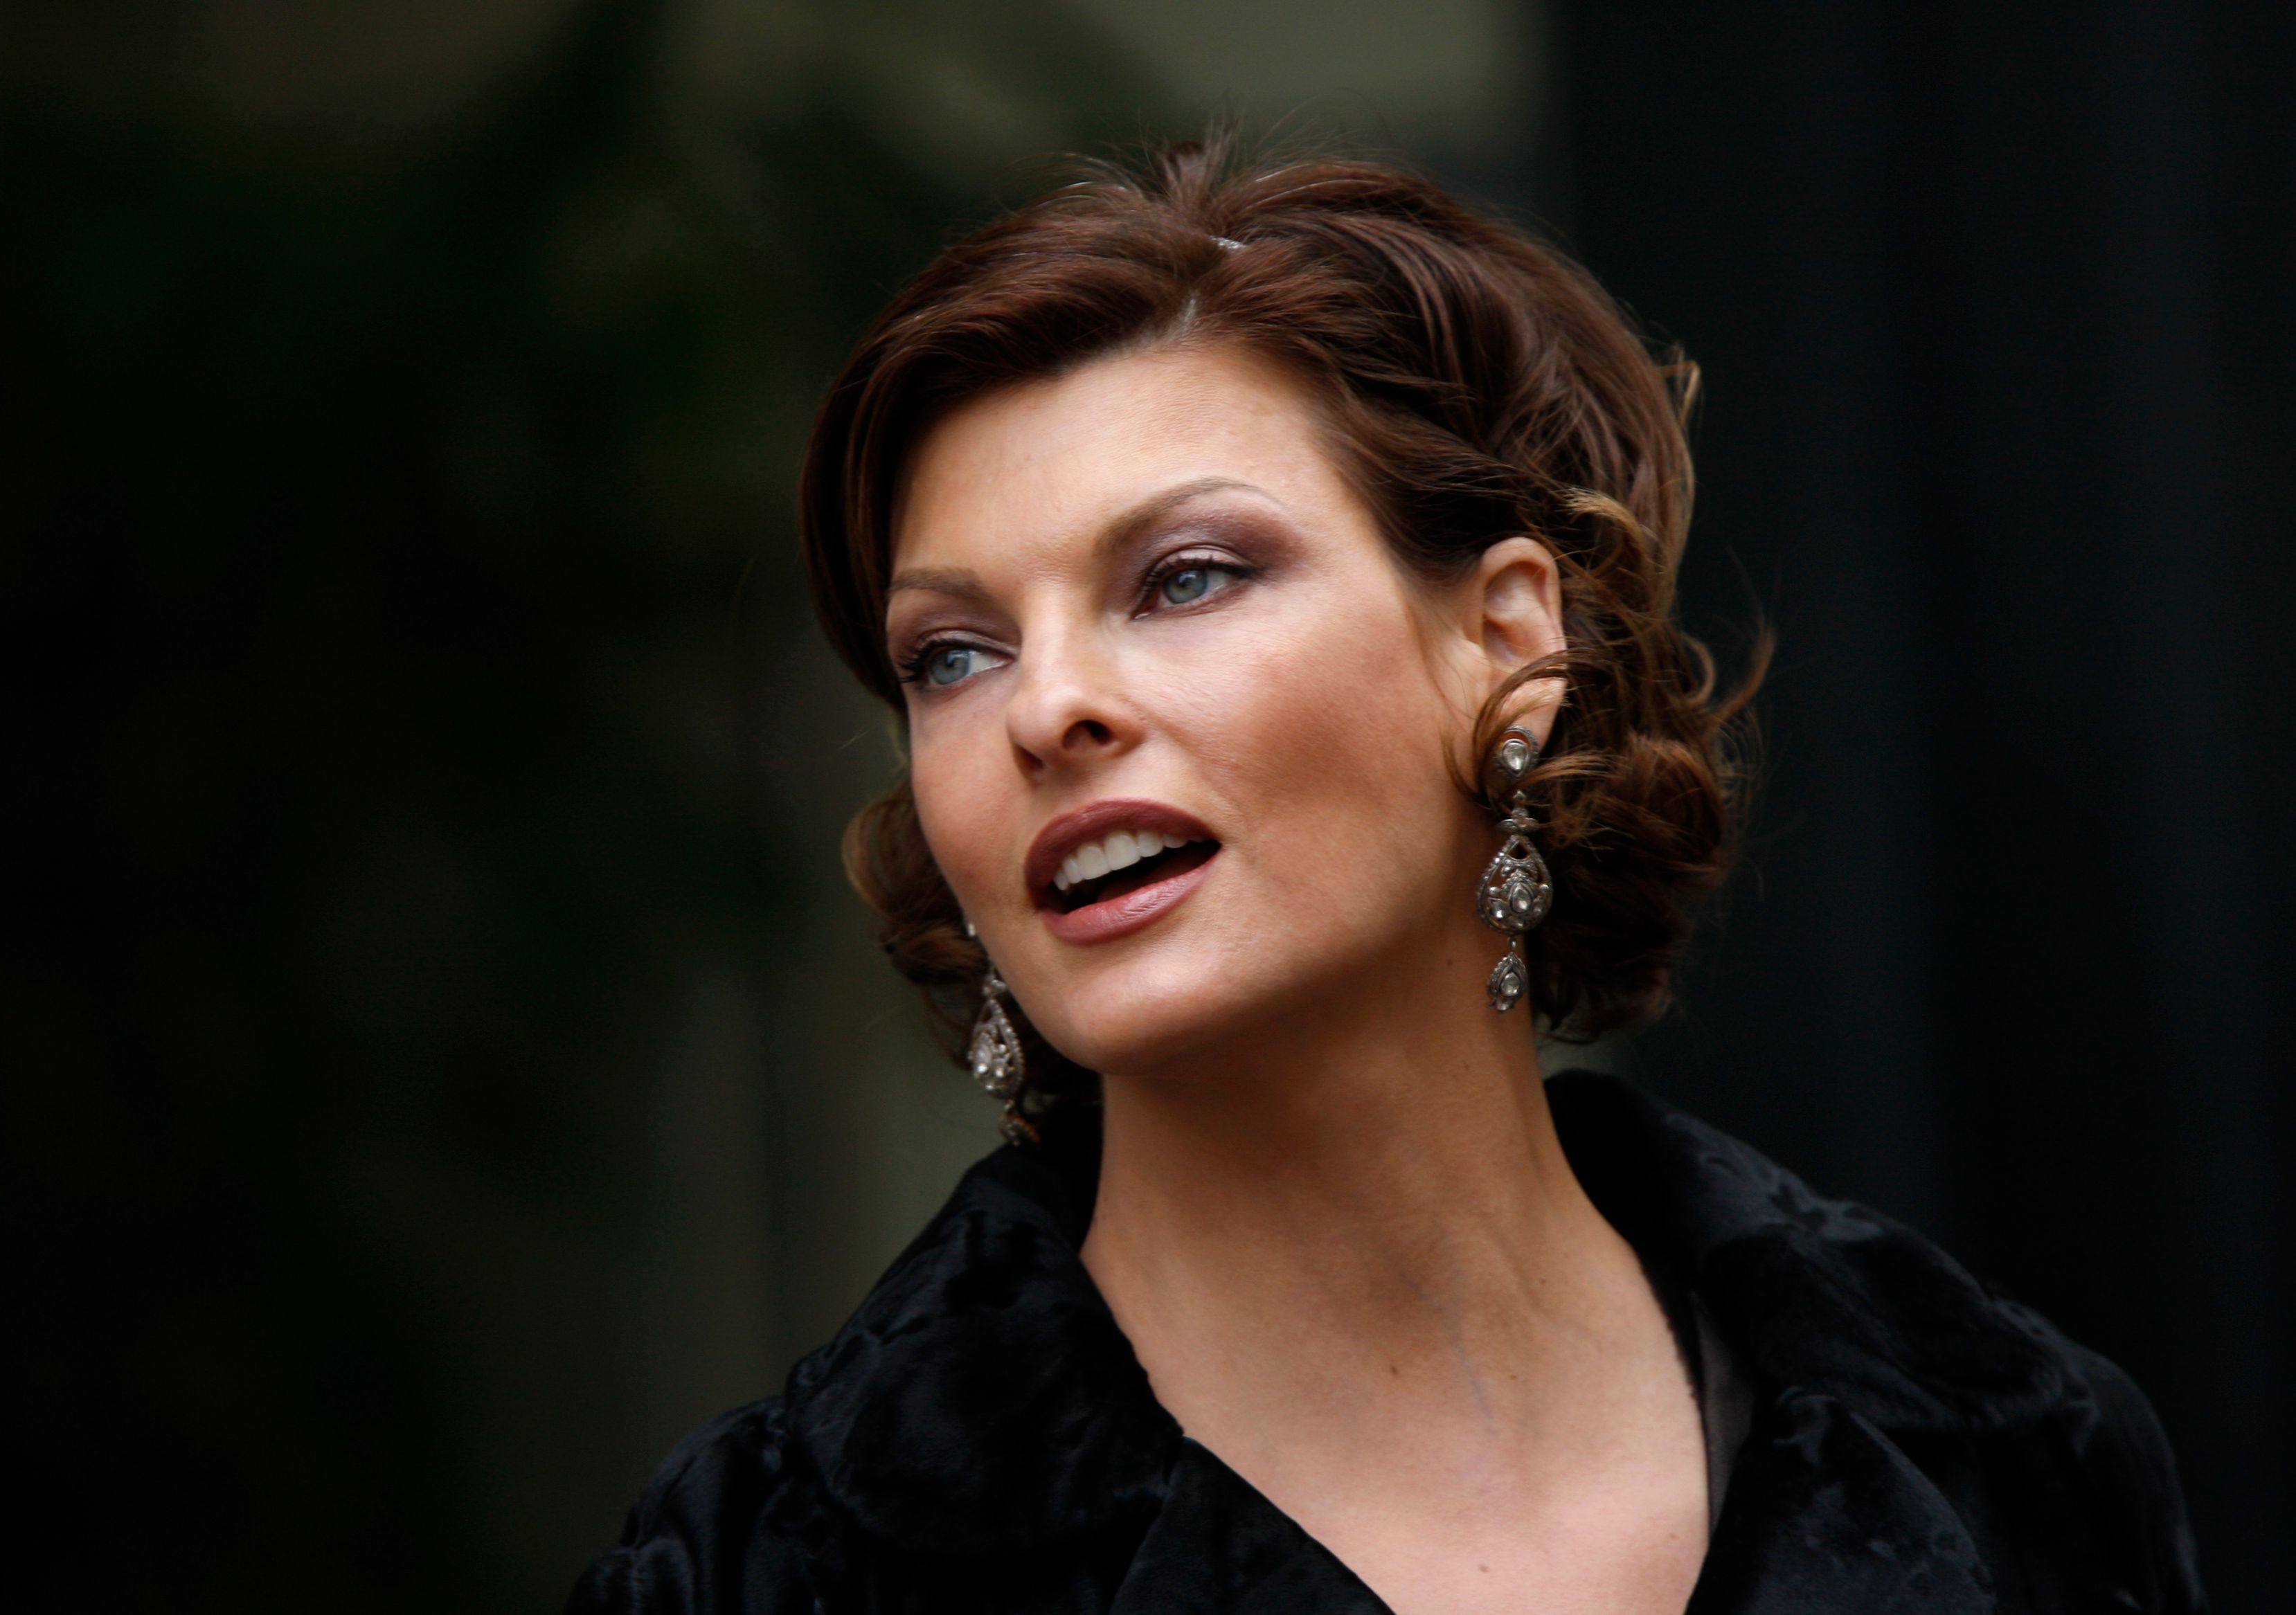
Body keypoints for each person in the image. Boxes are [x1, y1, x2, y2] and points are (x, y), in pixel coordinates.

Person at [567, 138, 2205, 1614]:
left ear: (1504, 639)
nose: (1046, 707)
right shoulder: (763, 1573)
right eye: (952, 654)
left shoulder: (2009, 1447)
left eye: (1186, 577)